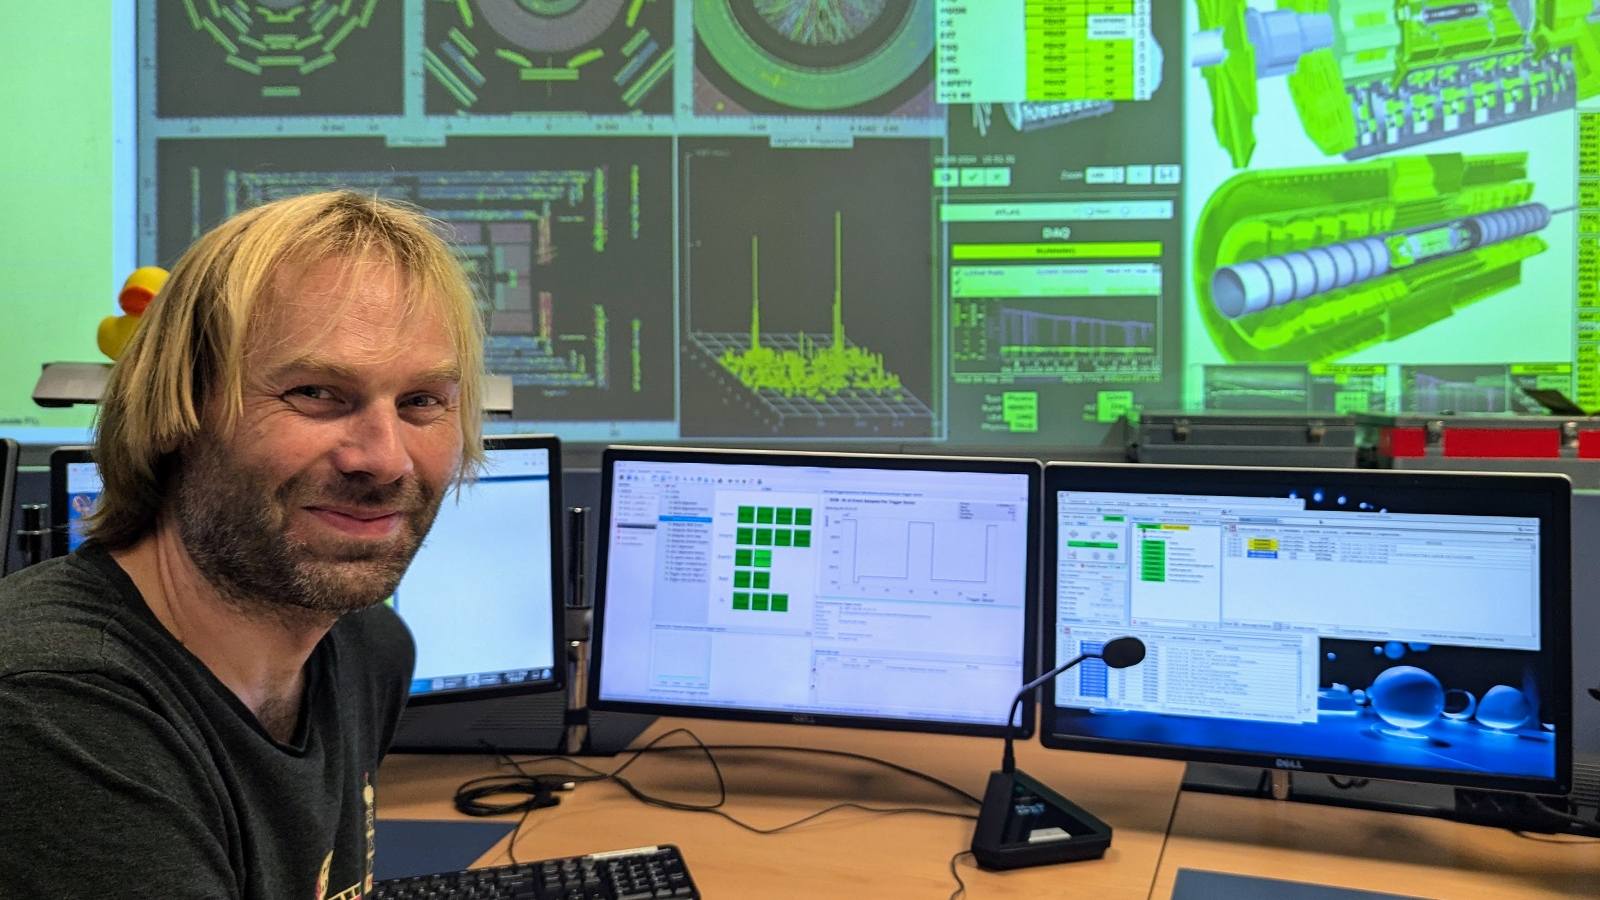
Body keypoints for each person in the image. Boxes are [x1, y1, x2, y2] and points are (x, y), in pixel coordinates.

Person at [0, 191, 486, 899]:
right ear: (177, 410)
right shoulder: (55, 713)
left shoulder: (366, 650)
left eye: (421, 402)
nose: (386, 460)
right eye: (316, 392)